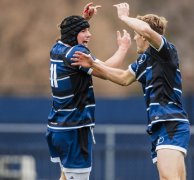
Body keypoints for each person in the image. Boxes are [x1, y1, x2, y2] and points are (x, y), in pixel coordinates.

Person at [71, 3, 190, 180]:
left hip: (170, 123)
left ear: (144, 36)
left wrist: (124, 17)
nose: (134, 38)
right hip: (160, 126)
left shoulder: (165, 52)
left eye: (136, 35)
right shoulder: (144, 60)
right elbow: (123, 78)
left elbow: (147, 31)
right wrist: (93, 65)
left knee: (168, 177)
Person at [46, 3, 131, 180]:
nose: (89, 34)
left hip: (57, 127)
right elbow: (107, 71)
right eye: (84, 31)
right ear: (74, 34)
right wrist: (123, 48)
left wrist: (83, 20)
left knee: (65, 177)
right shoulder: (76, 52)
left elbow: (67, 34)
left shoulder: (57, 48)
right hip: (74, 128)